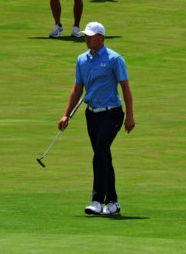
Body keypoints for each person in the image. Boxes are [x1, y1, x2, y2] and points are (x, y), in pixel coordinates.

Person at [58, 21, 135, 215]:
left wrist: (130, 116)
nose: (87, 38)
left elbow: (125, 87)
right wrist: (66, 114)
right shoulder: (82, 59)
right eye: (86, 35)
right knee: (103, 156)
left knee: (100, 153)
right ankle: (114, 203)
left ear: (101, 37)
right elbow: (77, 89)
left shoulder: (114, 59)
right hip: (91, 115)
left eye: (91, 36)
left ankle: (97, 200)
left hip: (112, 113)